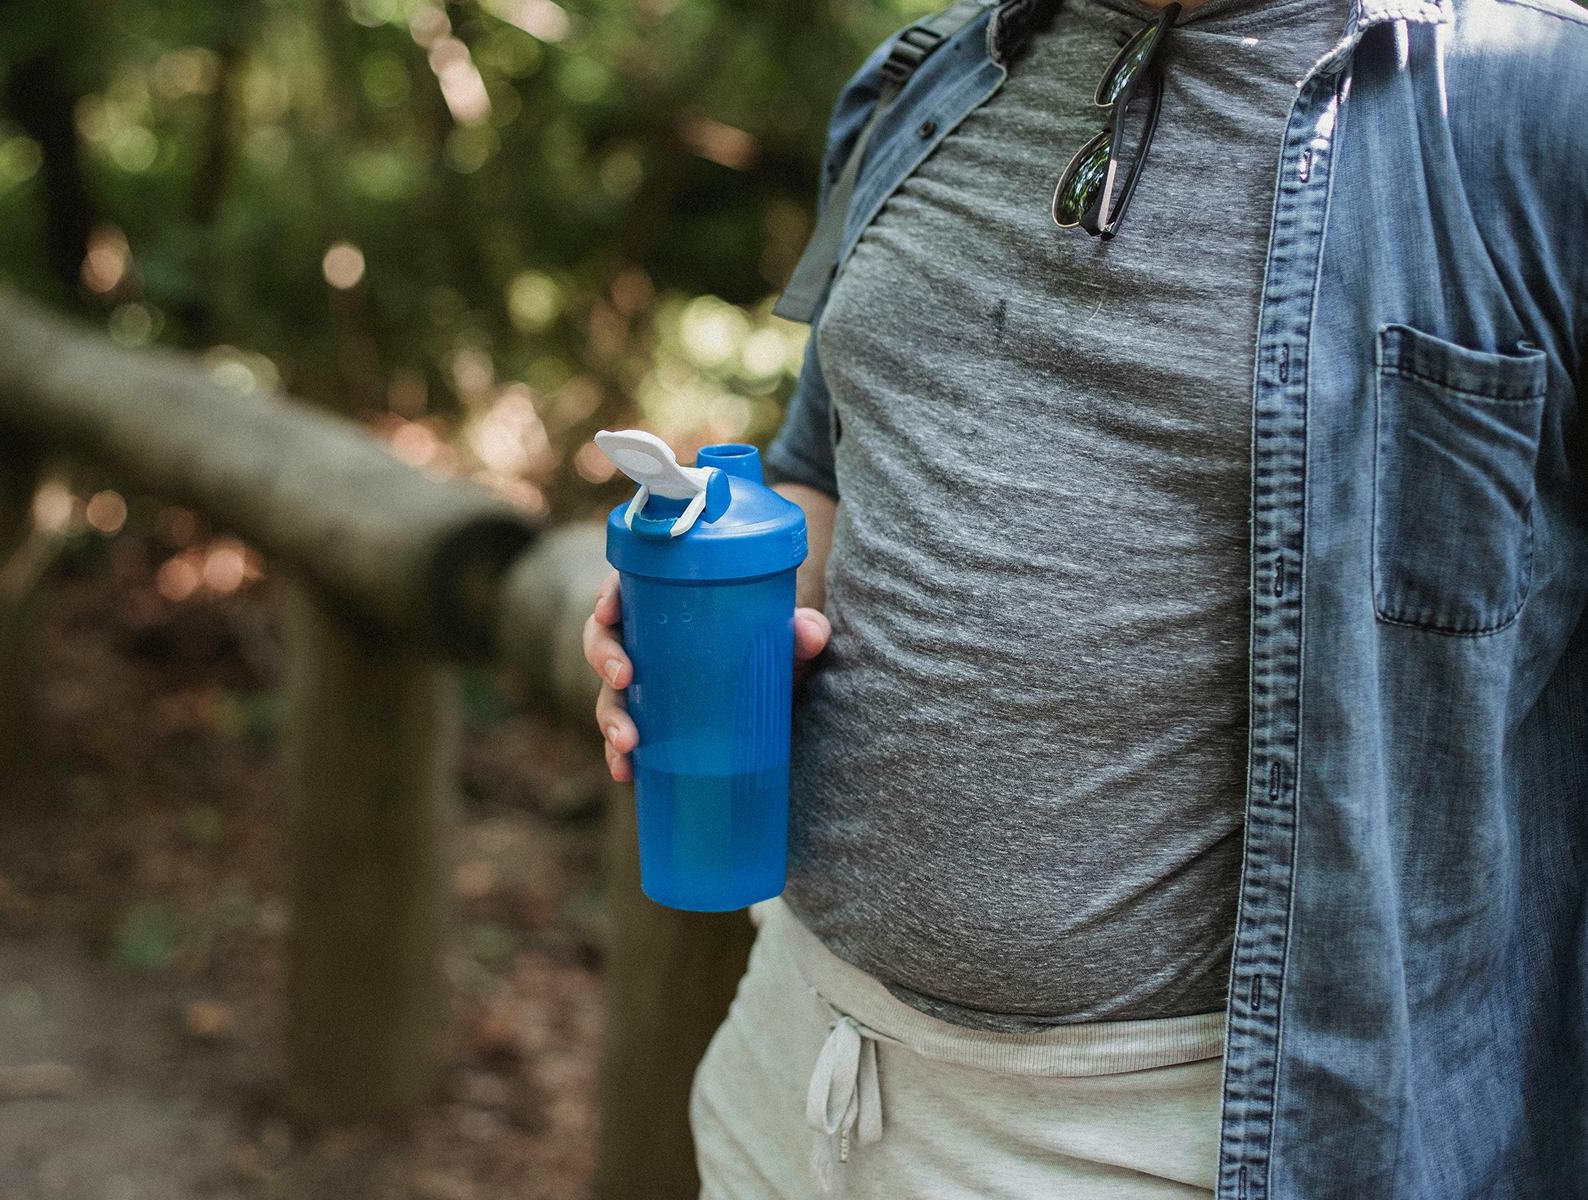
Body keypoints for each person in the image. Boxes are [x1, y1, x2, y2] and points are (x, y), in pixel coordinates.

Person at [583, 0, 1588, 1193]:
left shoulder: (1533, 105)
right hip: (792, 1060)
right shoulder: (930, 75)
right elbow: (821, 472)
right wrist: (708, 592)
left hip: (1192, 1139)